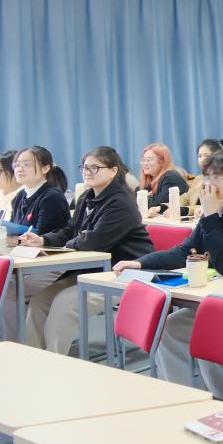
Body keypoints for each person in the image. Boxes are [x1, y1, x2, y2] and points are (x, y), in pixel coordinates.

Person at [115, 149, 223, 399]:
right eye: (207, 177)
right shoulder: (218, 208)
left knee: (209, 333)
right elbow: (185, 250)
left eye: (217, 177)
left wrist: (209, 216)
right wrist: (140, 263)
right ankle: (185, 397)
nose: (208, 184)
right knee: (169, 328)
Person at [23, 147, 153, 353]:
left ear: (113, 171)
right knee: (40, 301)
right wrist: (43, 240)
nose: (87, 172)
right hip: (93, 271)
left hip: (124, 273)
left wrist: (68, 245)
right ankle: (33, 357)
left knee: (65, 304)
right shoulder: (86, 197)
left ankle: (53, 362)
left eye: (95, 168)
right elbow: (71, 230)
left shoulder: (121, 202)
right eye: (84, 167)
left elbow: (94, 241)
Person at [0, 146, 70, 339]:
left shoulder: (52, 196)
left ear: (46, 168)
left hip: (50, 263)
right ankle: (0, 337)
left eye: (27, 165)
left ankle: (14, 342)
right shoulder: (20, 196)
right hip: (24, 261)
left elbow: (43, 237)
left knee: (4, 289)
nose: (20, 169)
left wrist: (19, 233)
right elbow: (14, 235)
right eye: (17, 165)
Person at [138, 143, 188, 216]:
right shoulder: (149, 179)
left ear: (162, 162)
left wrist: (144, 199)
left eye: (149, 160)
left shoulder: (171, 177)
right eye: (143, 160)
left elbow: (159, 204)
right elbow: (132, 199)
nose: (145, 163)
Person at [186, 138, 223, 212]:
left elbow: (218, 206)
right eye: (199, 156)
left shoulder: (222, 179)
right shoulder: (198, 178)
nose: (202, 159)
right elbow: (186, 198)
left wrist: (187, 209)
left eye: (206, 155)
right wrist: (167, 206)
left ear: (217, 157)